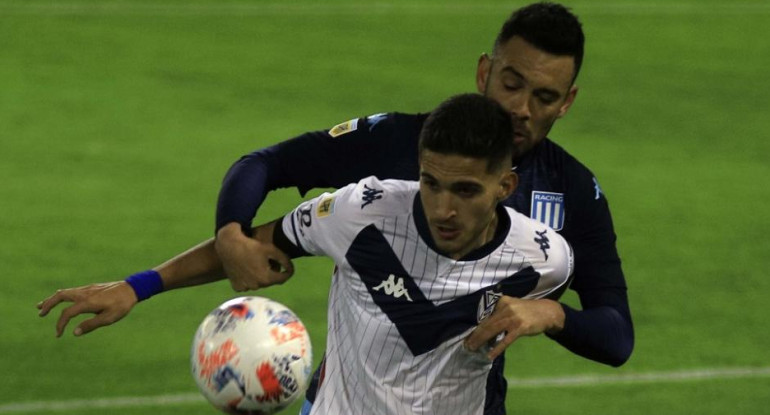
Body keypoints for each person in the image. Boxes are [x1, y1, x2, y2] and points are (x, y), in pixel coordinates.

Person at [213, 2, 633, 414]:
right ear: (485, 72)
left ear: (567, 101)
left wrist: (553, 313)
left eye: (544, 97)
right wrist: (229, 232)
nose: (522, 108)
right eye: (511, 83)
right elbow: (266, 165)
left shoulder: (572, 191)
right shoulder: (398, 144)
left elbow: (616, 335)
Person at [38, 94, 574, 415]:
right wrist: (139, 285)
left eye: (465, 192)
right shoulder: (360, 212)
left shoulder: (545, 258)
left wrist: (554, 313)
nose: (443, 208)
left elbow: (610, 332)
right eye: (431, 183)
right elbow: (259, 233)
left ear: (504, 186)